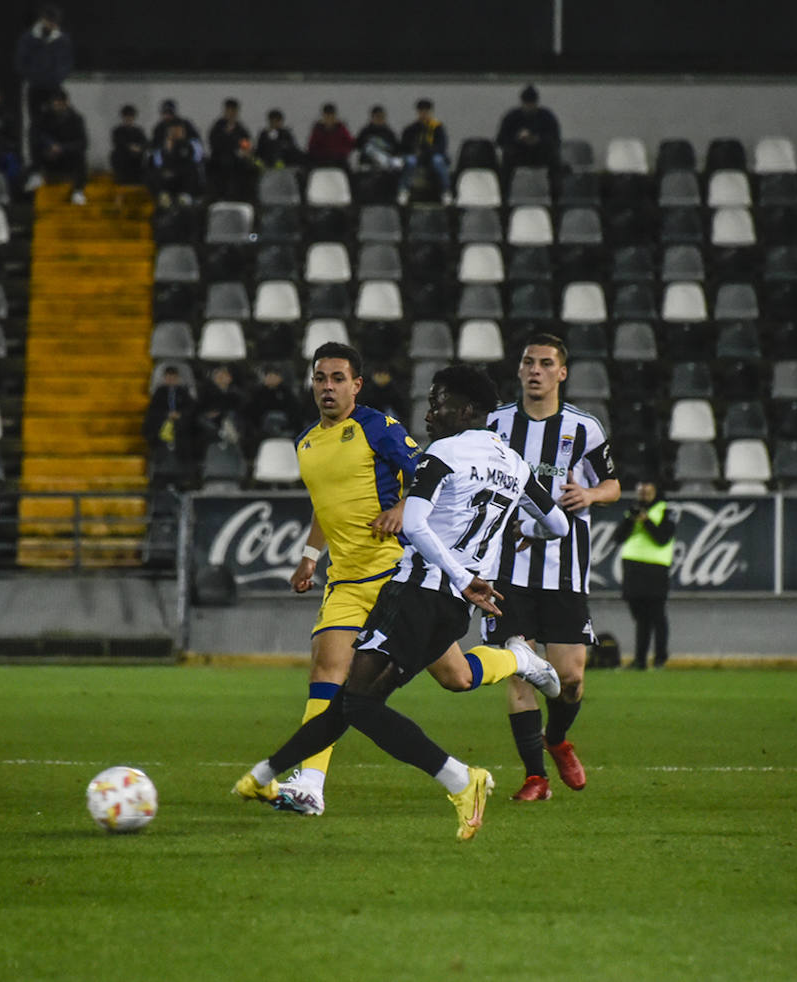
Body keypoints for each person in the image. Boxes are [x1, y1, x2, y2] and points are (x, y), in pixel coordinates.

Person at [235, 363, 571, 840]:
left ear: (467, 410)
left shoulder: (444, 453)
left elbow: (413, 524)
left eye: (439, 403)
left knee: (359, 705)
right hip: (452, 606)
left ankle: (460, 779)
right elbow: (557, 524)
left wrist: (458, 574)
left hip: (417, 591)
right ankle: (264, 777)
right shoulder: (515, 463)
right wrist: (523, 532)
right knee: (365, 697)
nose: (430, 413)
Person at [483, 332, 622, 802]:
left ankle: (558, 739)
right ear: (519, 370)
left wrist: (590, 494)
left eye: (545, 363)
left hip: (565, 570)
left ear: (562, 373)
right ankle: (534, 777)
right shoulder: (495, 423)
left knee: (571, 678)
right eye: (528, 363)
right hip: (506, 569)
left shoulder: (585, 428)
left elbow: (614, 485)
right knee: (519, 670)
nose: (535, 370)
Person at [615, 478, 675, 669]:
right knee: (640, 617)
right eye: (641, 488)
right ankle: (640, 660)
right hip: (633, 567)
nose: (643, 492)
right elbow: (618, 538)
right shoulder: (632, 510)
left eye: (647, 488)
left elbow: (663, 538)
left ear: (656, 489)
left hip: (656, 568)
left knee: (657, 615)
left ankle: (660, 659)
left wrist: (646, 521)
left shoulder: (666, 510)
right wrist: (630, 519)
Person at [15, 4, 74, 166]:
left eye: (55, 22)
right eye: (50, 21)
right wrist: (36, 78)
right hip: (36, 89)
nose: (52, 25)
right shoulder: (28, 38)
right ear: (43, 20)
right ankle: (36, 164)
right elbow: (21, 63)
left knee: (57, 122)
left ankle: (57, 161)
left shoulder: (62, 40)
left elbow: (67, 64)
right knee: (36, 126)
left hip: (54, 88)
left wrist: (56, 79)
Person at [32, 89, 88, 204]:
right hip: (50, 154)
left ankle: (78, 191)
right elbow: (38, 134)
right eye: (54, 103)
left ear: (65, 103)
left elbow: (82, 143)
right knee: (36, 145)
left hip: (67, 156)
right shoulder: (45, 117)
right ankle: (36, 174)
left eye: (59, 103)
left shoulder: (76, 119)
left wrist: (62, 148)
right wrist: (50, 145)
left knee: (81, 157)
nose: (56, 106)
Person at [143, 364, 197, 482]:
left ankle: (184, 476)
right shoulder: (159, 394)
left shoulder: (183, 393)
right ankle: (160, 473)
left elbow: (191, 410)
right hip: (162, 428)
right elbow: (153, 413)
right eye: (168, 377)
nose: (171, 380)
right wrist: (166, 415)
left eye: (173, 377)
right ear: (164, 378)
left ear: (178, 378)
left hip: (181, 429)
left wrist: (180, 415)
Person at [495, 84, 562, 174]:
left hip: (541, 153)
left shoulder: (546, 117)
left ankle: (557, 188)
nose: (529, 106)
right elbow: (501, 139)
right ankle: (503, 187)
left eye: (532, 103)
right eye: (527, 103)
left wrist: (539, 140)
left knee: (554, 158)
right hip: (518, 153)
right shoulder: (512, 117)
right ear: (522, 102)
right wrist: (517, 139)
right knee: (507, 158)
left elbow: (555, 139)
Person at [397, 98, 452, 206]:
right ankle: (403, 191)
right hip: (416, 156)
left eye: (426, 111)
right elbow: (404, 145)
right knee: (410, 161)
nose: (424, 114)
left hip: (432, 156)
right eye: (422, 111)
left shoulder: (437, 127)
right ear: (418, 112)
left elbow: (442, 146)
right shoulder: (411, 128)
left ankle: (445, 191)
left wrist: (428, 151)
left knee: (438, 161)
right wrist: (414, 150)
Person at [207, 98, 256, 200]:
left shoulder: (240, 129)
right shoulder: (218, 127)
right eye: (228, 110)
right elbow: (214, 144)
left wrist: (245, 152)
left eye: (233, 111)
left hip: (237, 163)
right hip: (220, 162)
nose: (231, 113)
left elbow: (246, 145)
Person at [149, 121, 206, 207]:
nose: (175, 134)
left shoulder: (190, 146)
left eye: (178, 131)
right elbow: (157, 170)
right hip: (168, 187)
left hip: (186, 188)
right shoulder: (161, 149)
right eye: (172, 131)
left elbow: (192, 167)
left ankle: (186, 195)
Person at [306, 103, 355, 168]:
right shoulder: (317, 129)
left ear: (335, 116)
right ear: (323, 116)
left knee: (349, 174)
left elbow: (349, 144)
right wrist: (321, 155)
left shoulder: (341, 128)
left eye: (331, 115)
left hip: (339, 160)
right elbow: (311, 146)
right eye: (327, 115)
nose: (329, 118)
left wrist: (341, 153)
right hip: (320, 161)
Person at [355, 104, 401, 173]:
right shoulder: (366, 132)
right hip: (369, 163)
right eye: (377, 117)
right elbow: (359, 146)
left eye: (382, 117)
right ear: (372, 118)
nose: (380, 119)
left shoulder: (389, 132)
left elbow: (396, 148)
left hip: (387, 162)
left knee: (398, 164)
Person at [110, 105, 148, 186]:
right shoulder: (118, 131)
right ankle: (122, 178)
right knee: (116, 154)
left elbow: (144, 143)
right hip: (123, 159)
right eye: (126, 116)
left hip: (136, 159)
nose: (129, 118)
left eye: (131, 116)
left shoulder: (138, 131)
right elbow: (118, 142)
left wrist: (139, 148)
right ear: (123, 117)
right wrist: (130, 147)